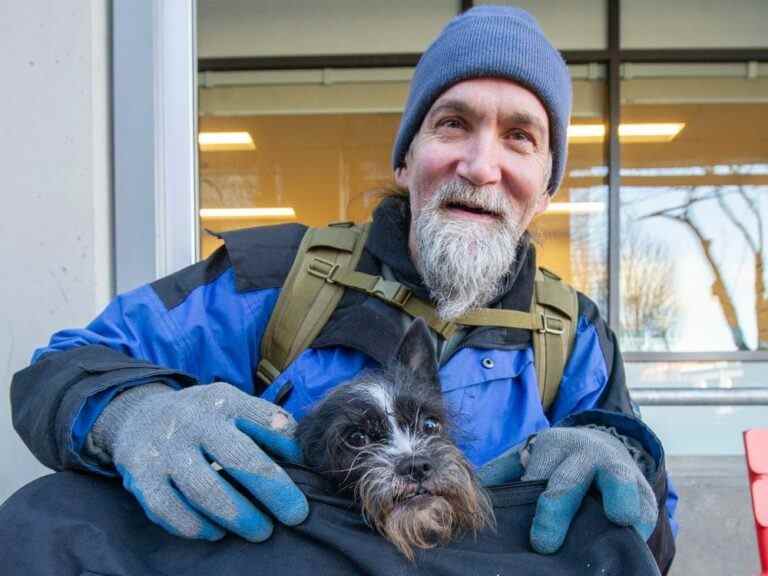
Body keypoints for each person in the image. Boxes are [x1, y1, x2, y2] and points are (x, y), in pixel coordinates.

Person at [11, 5, 676, 573]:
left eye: (520, 138)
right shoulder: (273, 276)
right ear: (405, 155)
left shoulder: (576, 335)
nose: (481, 166)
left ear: (547, 185)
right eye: (452, 124)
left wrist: (620, 461)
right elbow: (63, 368)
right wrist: (134, 413)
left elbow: (650, 536)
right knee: (49, 520)